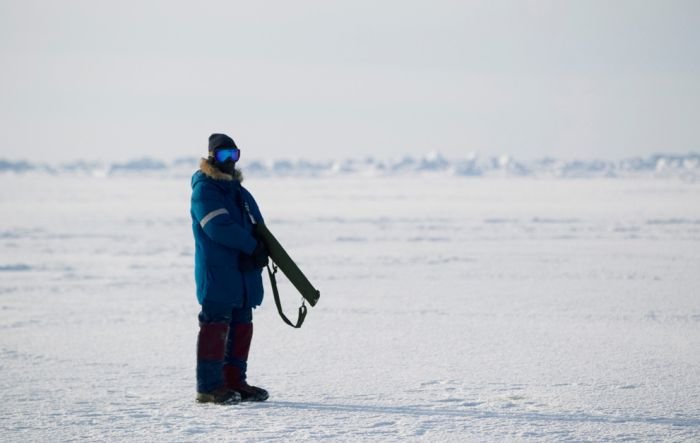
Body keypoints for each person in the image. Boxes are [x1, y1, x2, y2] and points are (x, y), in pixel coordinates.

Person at [190, 133, 270, 404]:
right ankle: (210, 387)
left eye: (234, 155)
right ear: (212, 157)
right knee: (215, 326)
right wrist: (251, 247)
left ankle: (235, 381)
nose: (230, 161)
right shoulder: (205, 190)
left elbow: (258, 227)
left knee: (242, 325)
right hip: (219, 273)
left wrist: (261, 249)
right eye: (224, 156)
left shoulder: (240, 193)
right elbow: (217, 227)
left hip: (243, 273)